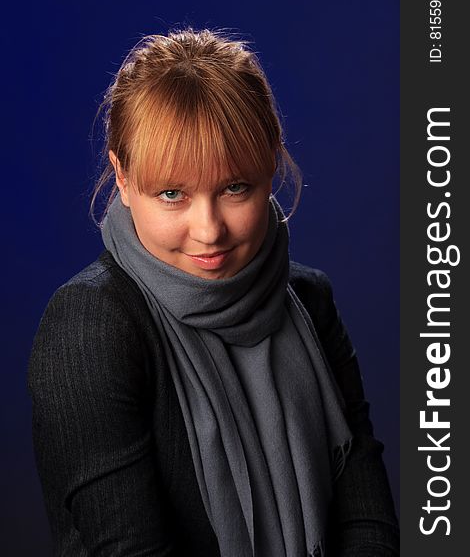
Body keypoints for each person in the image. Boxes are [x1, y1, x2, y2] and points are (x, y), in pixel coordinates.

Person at [28, 28, 399, 557]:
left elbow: (367, 522)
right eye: (172, 194)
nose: (209, 230)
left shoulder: (311, 301)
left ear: (271, 164)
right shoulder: (89, 326)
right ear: (124, 178)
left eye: (234, 188)